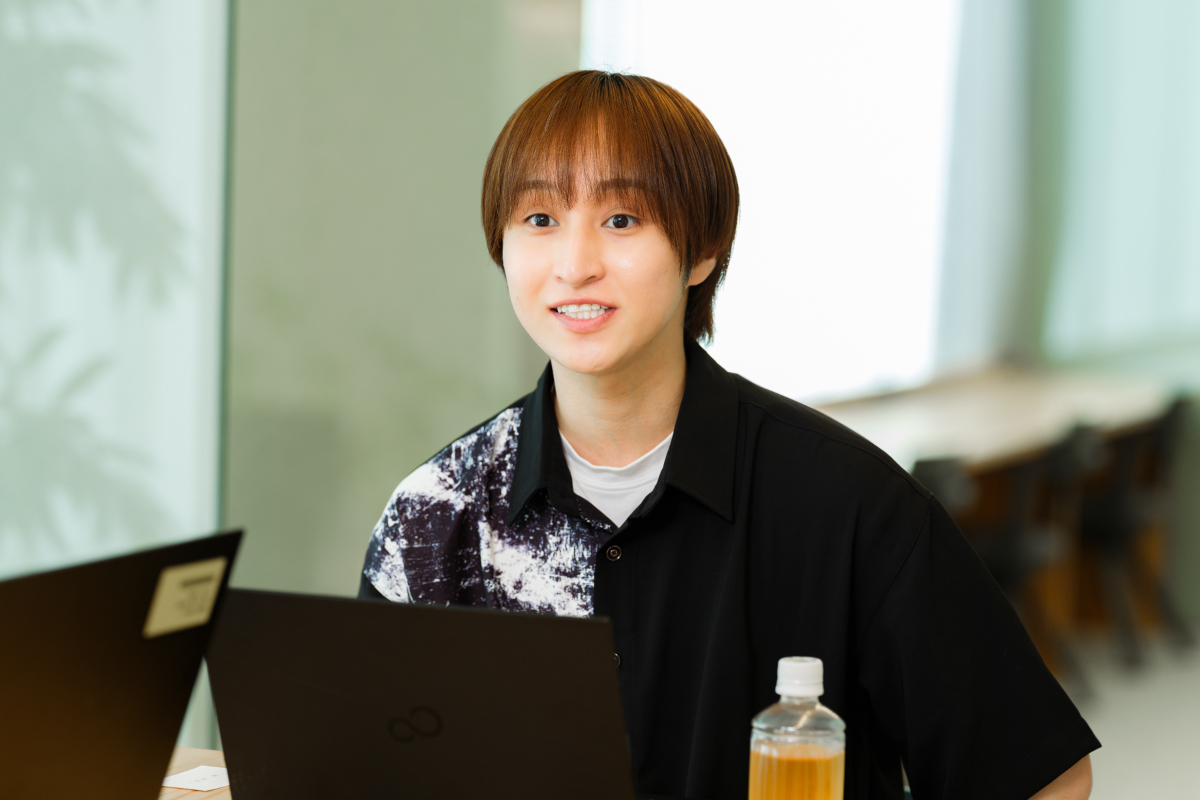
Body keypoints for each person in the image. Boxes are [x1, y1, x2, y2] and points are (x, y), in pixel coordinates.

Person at [359, 71, 1098, 799]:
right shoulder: (436, 516)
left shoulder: (846, 503)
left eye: (622, 220)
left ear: (704, 250)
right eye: (540, 219)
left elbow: (1044, 779)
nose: (575, 266)